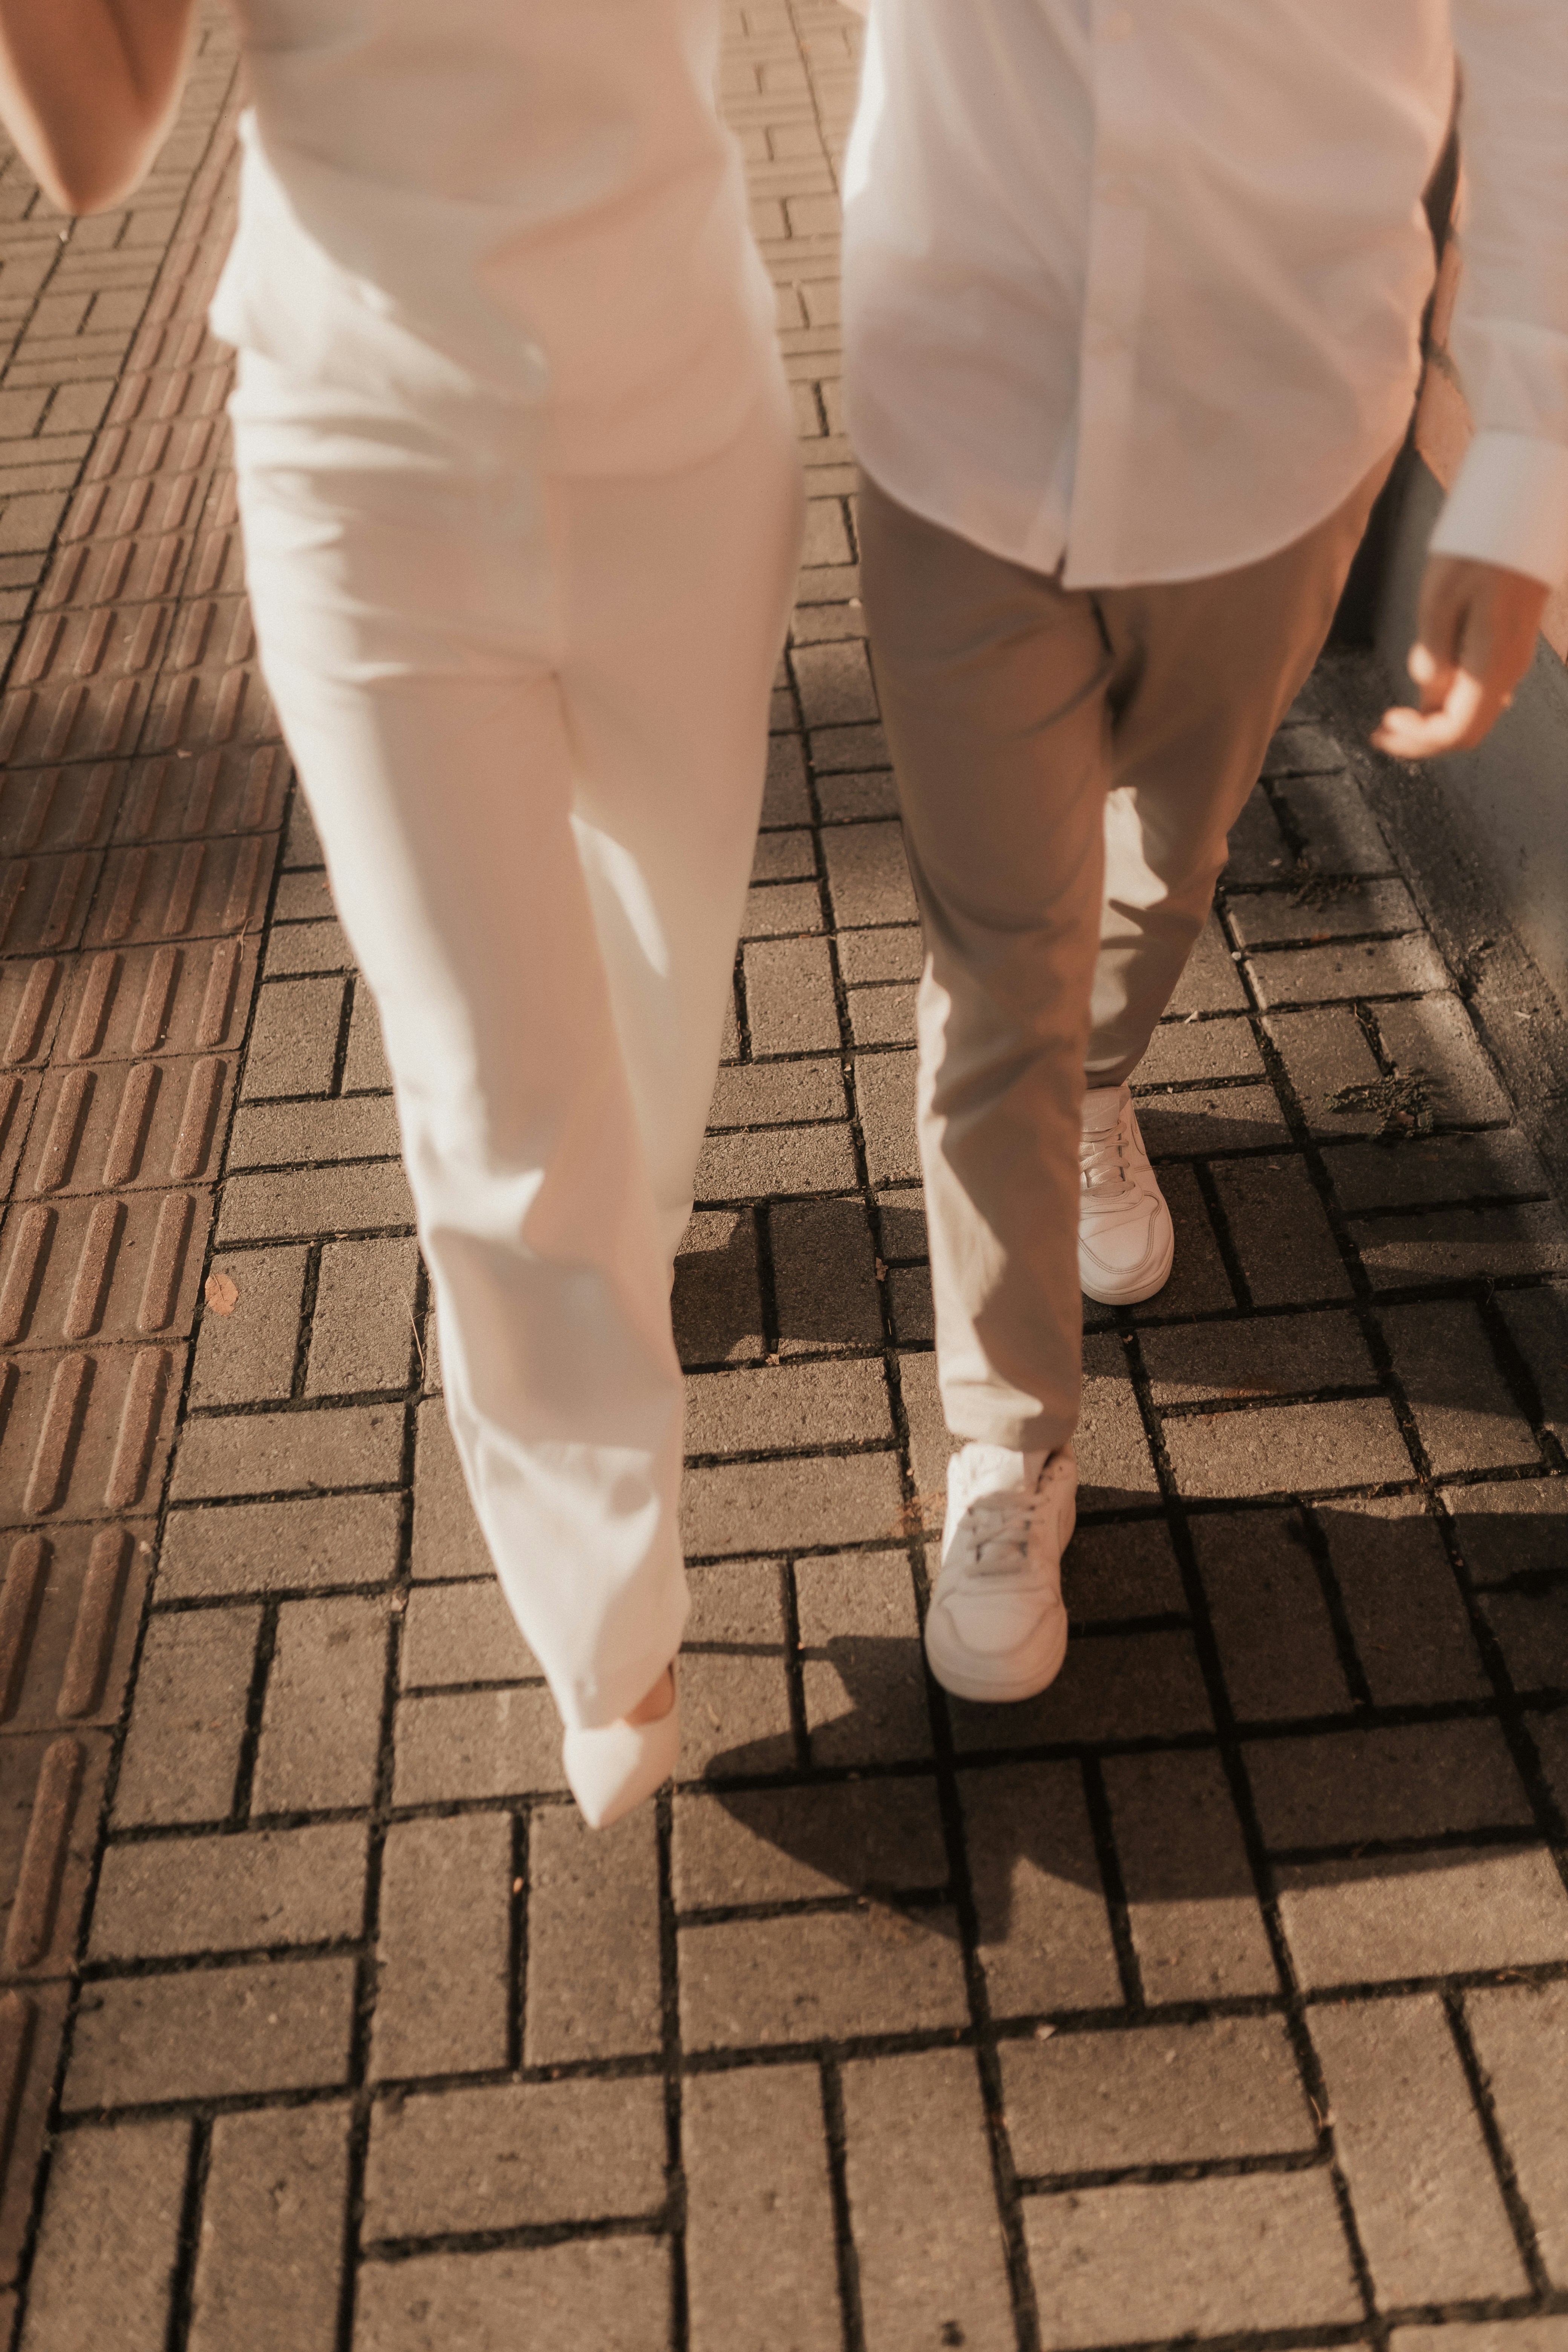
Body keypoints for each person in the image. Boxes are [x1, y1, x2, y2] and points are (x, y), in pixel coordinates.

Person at [0, 0, 803, 1824]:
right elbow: (94, 142)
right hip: (366, 472)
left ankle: (638, 1237)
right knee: (498, 1095)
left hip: (681, 435)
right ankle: (610, 1607)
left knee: (658, 990)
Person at [838, 0, 1568, 1706]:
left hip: (1279, 418)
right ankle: (1006, 1450)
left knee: (1168, 866)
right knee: (996, 955)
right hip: (963, 405)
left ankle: (1097, 1090)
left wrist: (1523, 460)